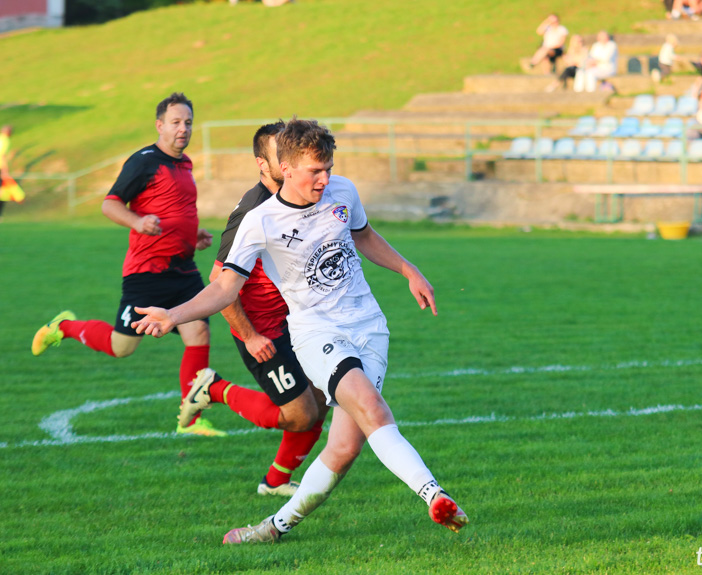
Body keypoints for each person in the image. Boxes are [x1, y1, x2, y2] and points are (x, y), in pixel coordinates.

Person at [132, 118, 469, 543]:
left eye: (328, 168)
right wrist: (173, 315)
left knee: (344, 448)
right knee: (373, 409)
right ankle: (434, 495)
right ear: (286, 168)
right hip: (316, 333)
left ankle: (273, 528)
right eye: (315, 171)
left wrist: (408, 269)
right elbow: (224, 287)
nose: (325, 179)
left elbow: (363, 236)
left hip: (370, 328)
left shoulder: (342, 191)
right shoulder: (261, 221)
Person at [30, 93, 224, 437]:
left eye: (189, 122)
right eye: (176, 122)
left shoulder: (186, 164)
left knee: (199, 333)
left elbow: (175, 210)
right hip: (146, 272)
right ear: (160, 125)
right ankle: (65, 327)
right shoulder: (144, 161)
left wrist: (193, 236)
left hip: (182, 268)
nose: (183, 129)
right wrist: (137, 223)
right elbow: (110, 204)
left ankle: (190, 421)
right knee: (123, 347)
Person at [180, 120, 331, 496]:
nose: (288, 160)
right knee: (299, 415)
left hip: (298, 323)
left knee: (322, 399)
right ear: (264, 164)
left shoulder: (294, 199)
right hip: (264, 329)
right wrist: (249, 335)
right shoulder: (252, 211)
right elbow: (220, 280)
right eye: (280, 155)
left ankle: (275, 482)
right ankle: (212, 388)